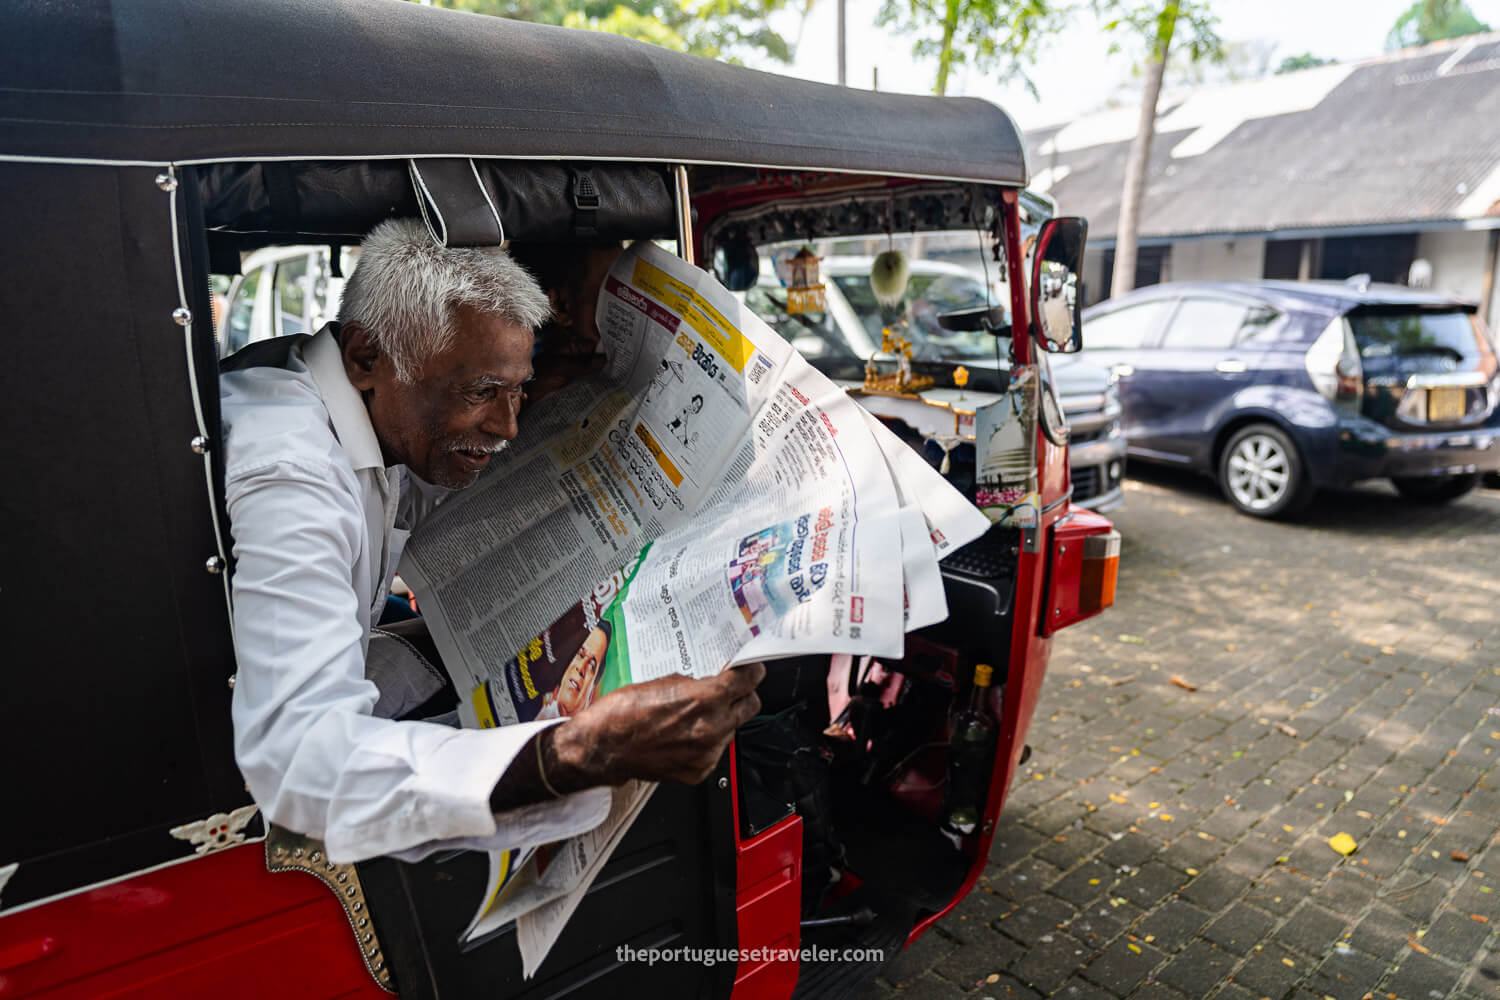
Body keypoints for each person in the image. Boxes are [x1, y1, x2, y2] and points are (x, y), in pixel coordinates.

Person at [220, 218, 762, 864]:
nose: (506, 424)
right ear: (368, 357)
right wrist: (581, 751)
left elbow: (416, 496)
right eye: (482, 391)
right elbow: (302, 768)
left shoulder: (349, 390)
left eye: (517, 391)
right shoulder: (289, 467)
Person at [536, 622, 611, 720]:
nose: (580, 668)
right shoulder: (540, 703)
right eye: (580, 655)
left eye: (591, 666)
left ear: (592, 689)